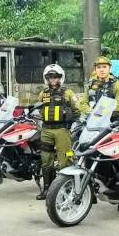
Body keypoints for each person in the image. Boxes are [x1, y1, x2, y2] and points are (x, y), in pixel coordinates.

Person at [36, 64, 82, 200]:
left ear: (60, 78)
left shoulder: (68, 93)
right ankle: (47, 190)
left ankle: (65, 190)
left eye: (56, 77)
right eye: (50, 77)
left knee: (65, 160)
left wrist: (72, 123)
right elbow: (39, 109)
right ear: (47, 79)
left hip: (62, 130)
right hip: (46, 130)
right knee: (46, 161)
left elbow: (77, 111)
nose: (53, 80)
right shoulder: (43, 93)